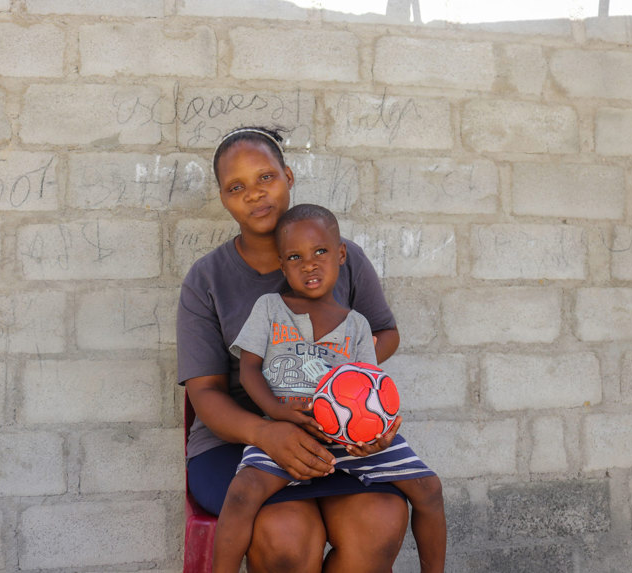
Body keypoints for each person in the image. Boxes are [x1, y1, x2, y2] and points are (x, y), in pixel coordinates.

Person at [177, 126, 444, 572]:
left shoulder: (344, 257)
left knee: (381, 519)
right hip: (242, 437)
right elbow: (205, 392)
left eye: (266, 177)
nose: (254, 194)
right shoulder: (207, 279)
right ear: (222, 198)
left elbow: (384, 333)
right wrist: (266, 431)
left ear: (289, 176)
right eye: (236, 187)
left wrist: (353, 402)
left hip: (336, 430)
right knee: (287, 533)